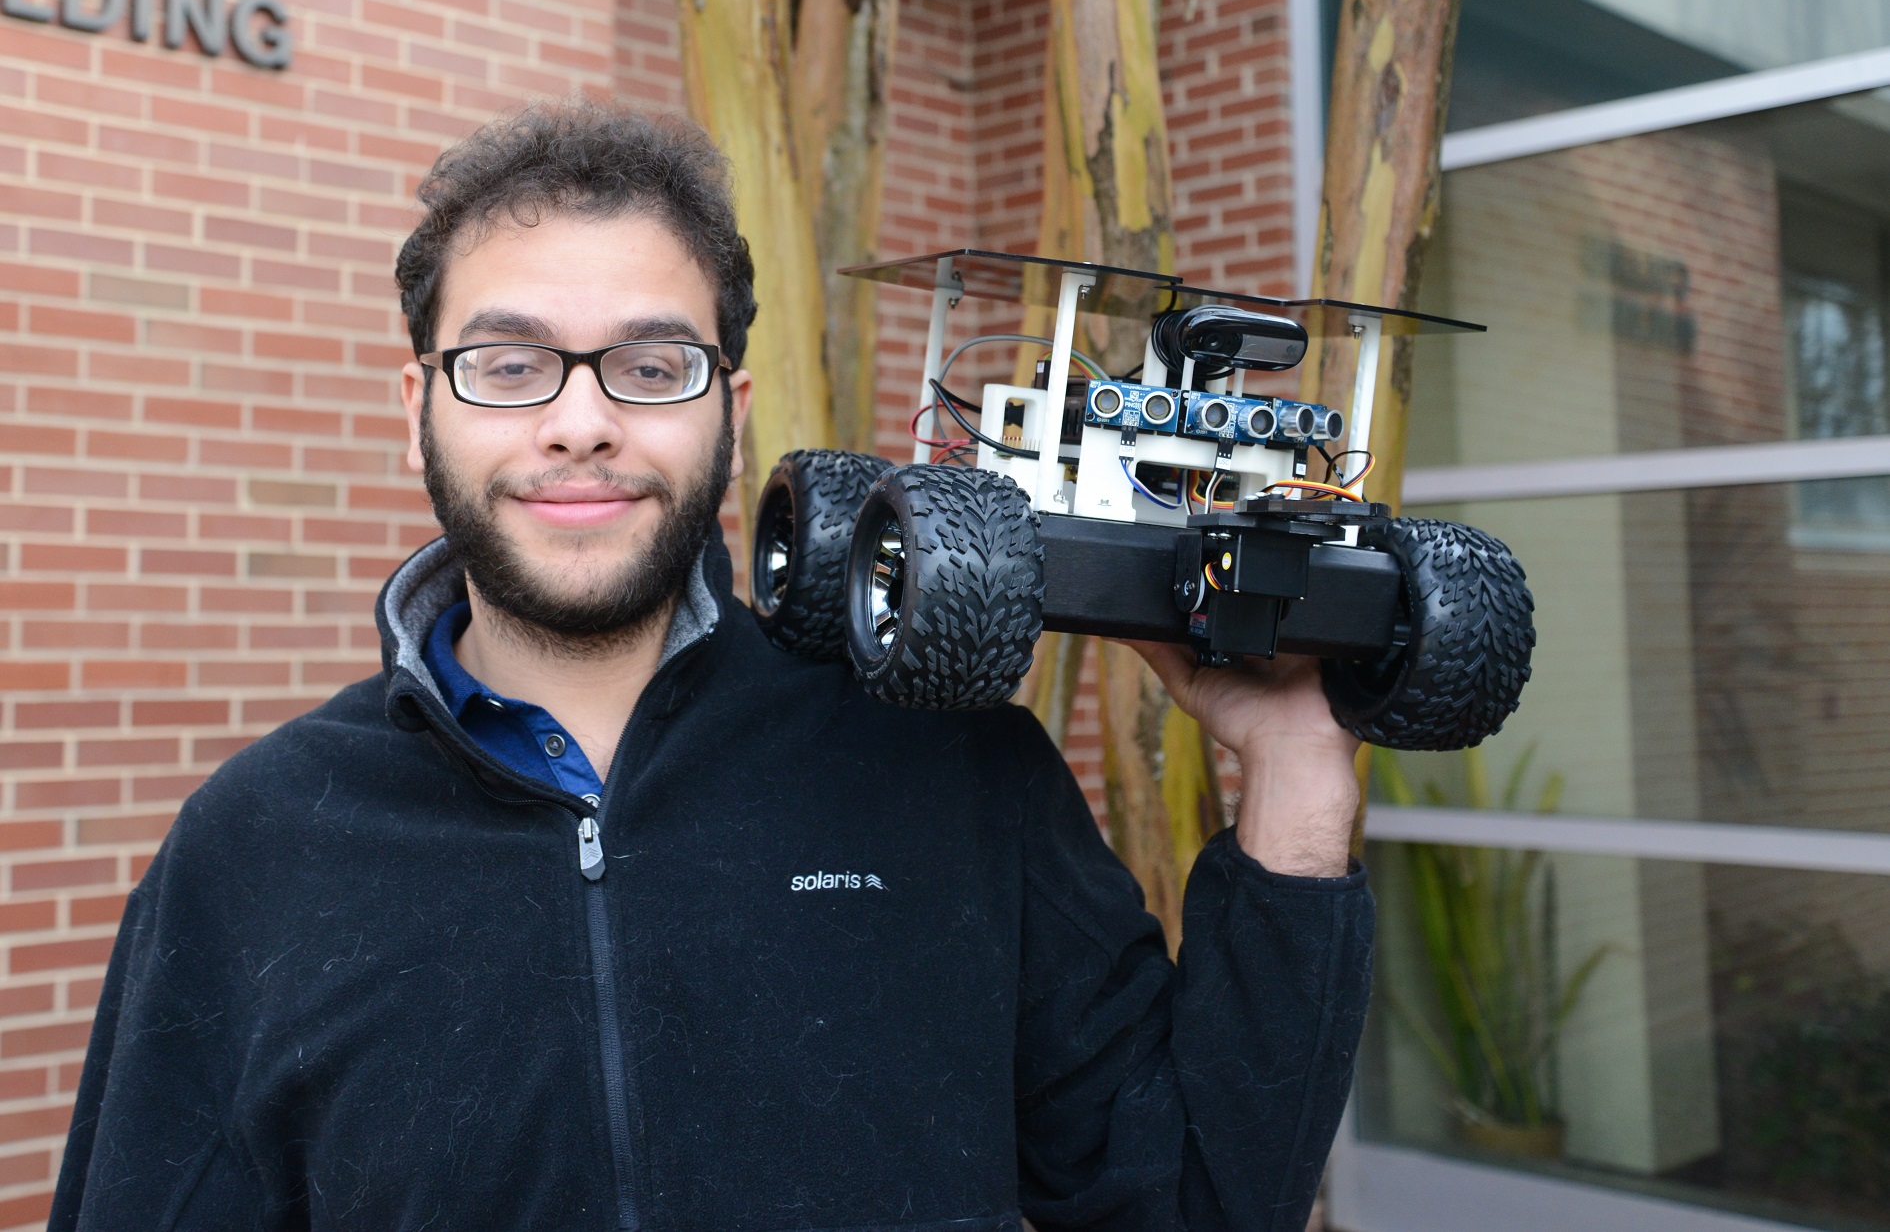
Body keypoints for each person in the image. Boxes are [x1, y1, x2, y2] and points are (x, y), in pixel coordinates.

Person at [49, 101, 1371, 1232]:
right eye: (508, 365)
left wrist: (1301, 770)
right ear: (419, 410)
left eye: (649, 365)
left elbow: (1194, 1199)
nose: (578, 423)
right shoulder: (260, 845)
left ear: (730, 418)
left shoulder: (945, 763)